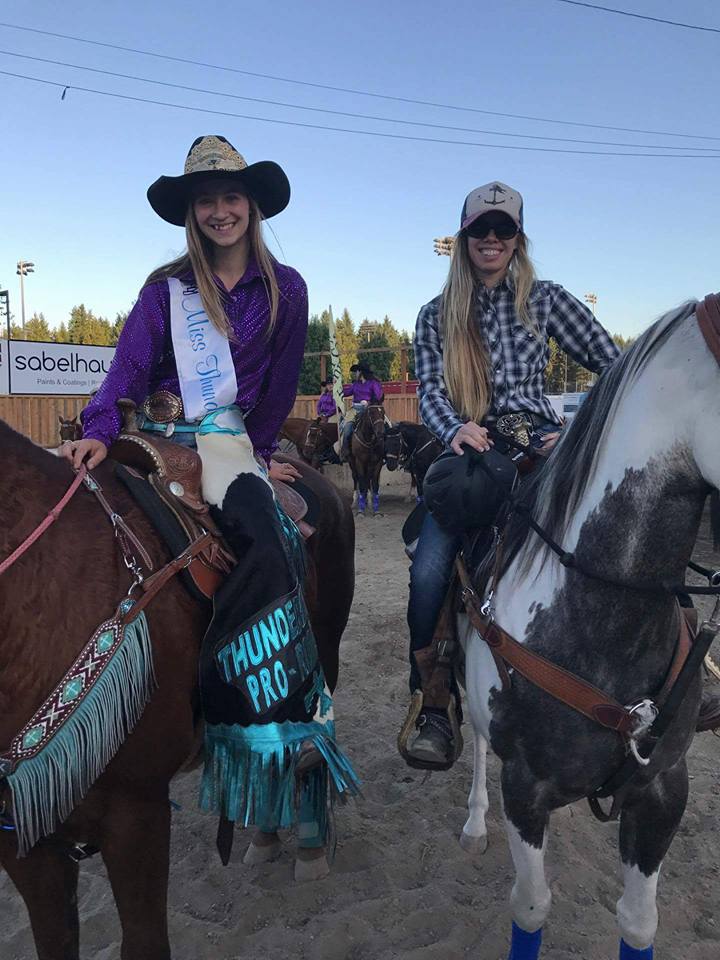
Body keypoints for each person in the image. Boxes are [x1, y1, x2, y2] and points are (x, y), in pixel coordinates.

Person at [62, 134, 357, 845]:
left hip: (226, 443)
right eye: (206, 201)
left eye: (230, 198)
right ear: (191, 213)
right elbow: (128, 366)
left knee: (262, 527)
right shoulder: (165, 288)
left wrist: (255, 454)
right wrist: (100, 425)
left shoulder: (287, 288)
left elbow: (281, 383)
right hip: (157, 437)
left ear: (252, 206)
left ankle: (248, 703)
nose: (220, 212)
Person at [405, 180, 621, 767]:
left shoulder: (546, 300)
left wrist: (575, 434)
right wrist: (455, 428)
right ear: (464, 237)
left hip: (538, 446)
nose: (492, 239)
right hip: (469, 450)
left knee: (618, 532)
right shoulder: (435, 314)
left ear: (518, 238)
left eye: (503, 229)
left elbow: (615, 367)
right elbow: (428, 390)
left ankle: (650, 668)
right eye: (480, 230)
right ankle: (433, 701)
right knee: (428, 570)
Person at [339, 361, 384, 461]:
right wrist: (337, 388)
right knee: (347, 427)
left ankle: (385, 451)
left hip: (371, 409)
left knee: (386, 425)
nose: (356, 374)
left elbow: (379, 396)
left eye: (357, 371)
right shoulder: (355, 384)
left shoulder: (373, 383)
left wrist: (369, 402)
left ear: (361, 372)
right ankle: (345, 450)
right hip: (355, 409)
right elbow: (346, 393)